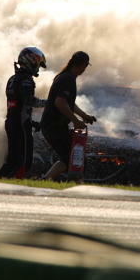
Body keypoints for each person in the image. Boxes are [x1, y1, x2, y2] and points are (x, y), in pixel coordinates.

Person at [40, 51, 96, 182]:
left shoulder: (66, 77)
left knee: (72, 156)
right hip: (53, 127)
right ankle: (47, 179)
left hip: (55, 126)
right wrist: (76, 121)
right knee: (69, 158)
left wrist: (84, 116)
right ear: (83, 65)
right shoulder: (67, 79)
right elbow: (60, 103)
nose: (85, 69)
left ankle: (48, 179)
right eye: (85, 66)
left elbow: (69, 103)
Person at [0, 46, 45, 179]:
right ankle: (12, 186)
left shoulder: (13, 78)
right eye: (38, 64)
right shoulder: (26, 80)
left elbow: (18, 105)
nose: (38, 68)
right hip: (21, 126)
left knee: (11, 161)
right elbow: (29, 101)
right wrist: (50, 103)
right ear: (31, 61)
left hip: (12, 122)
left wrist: (33, 122)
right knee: (23, 162)